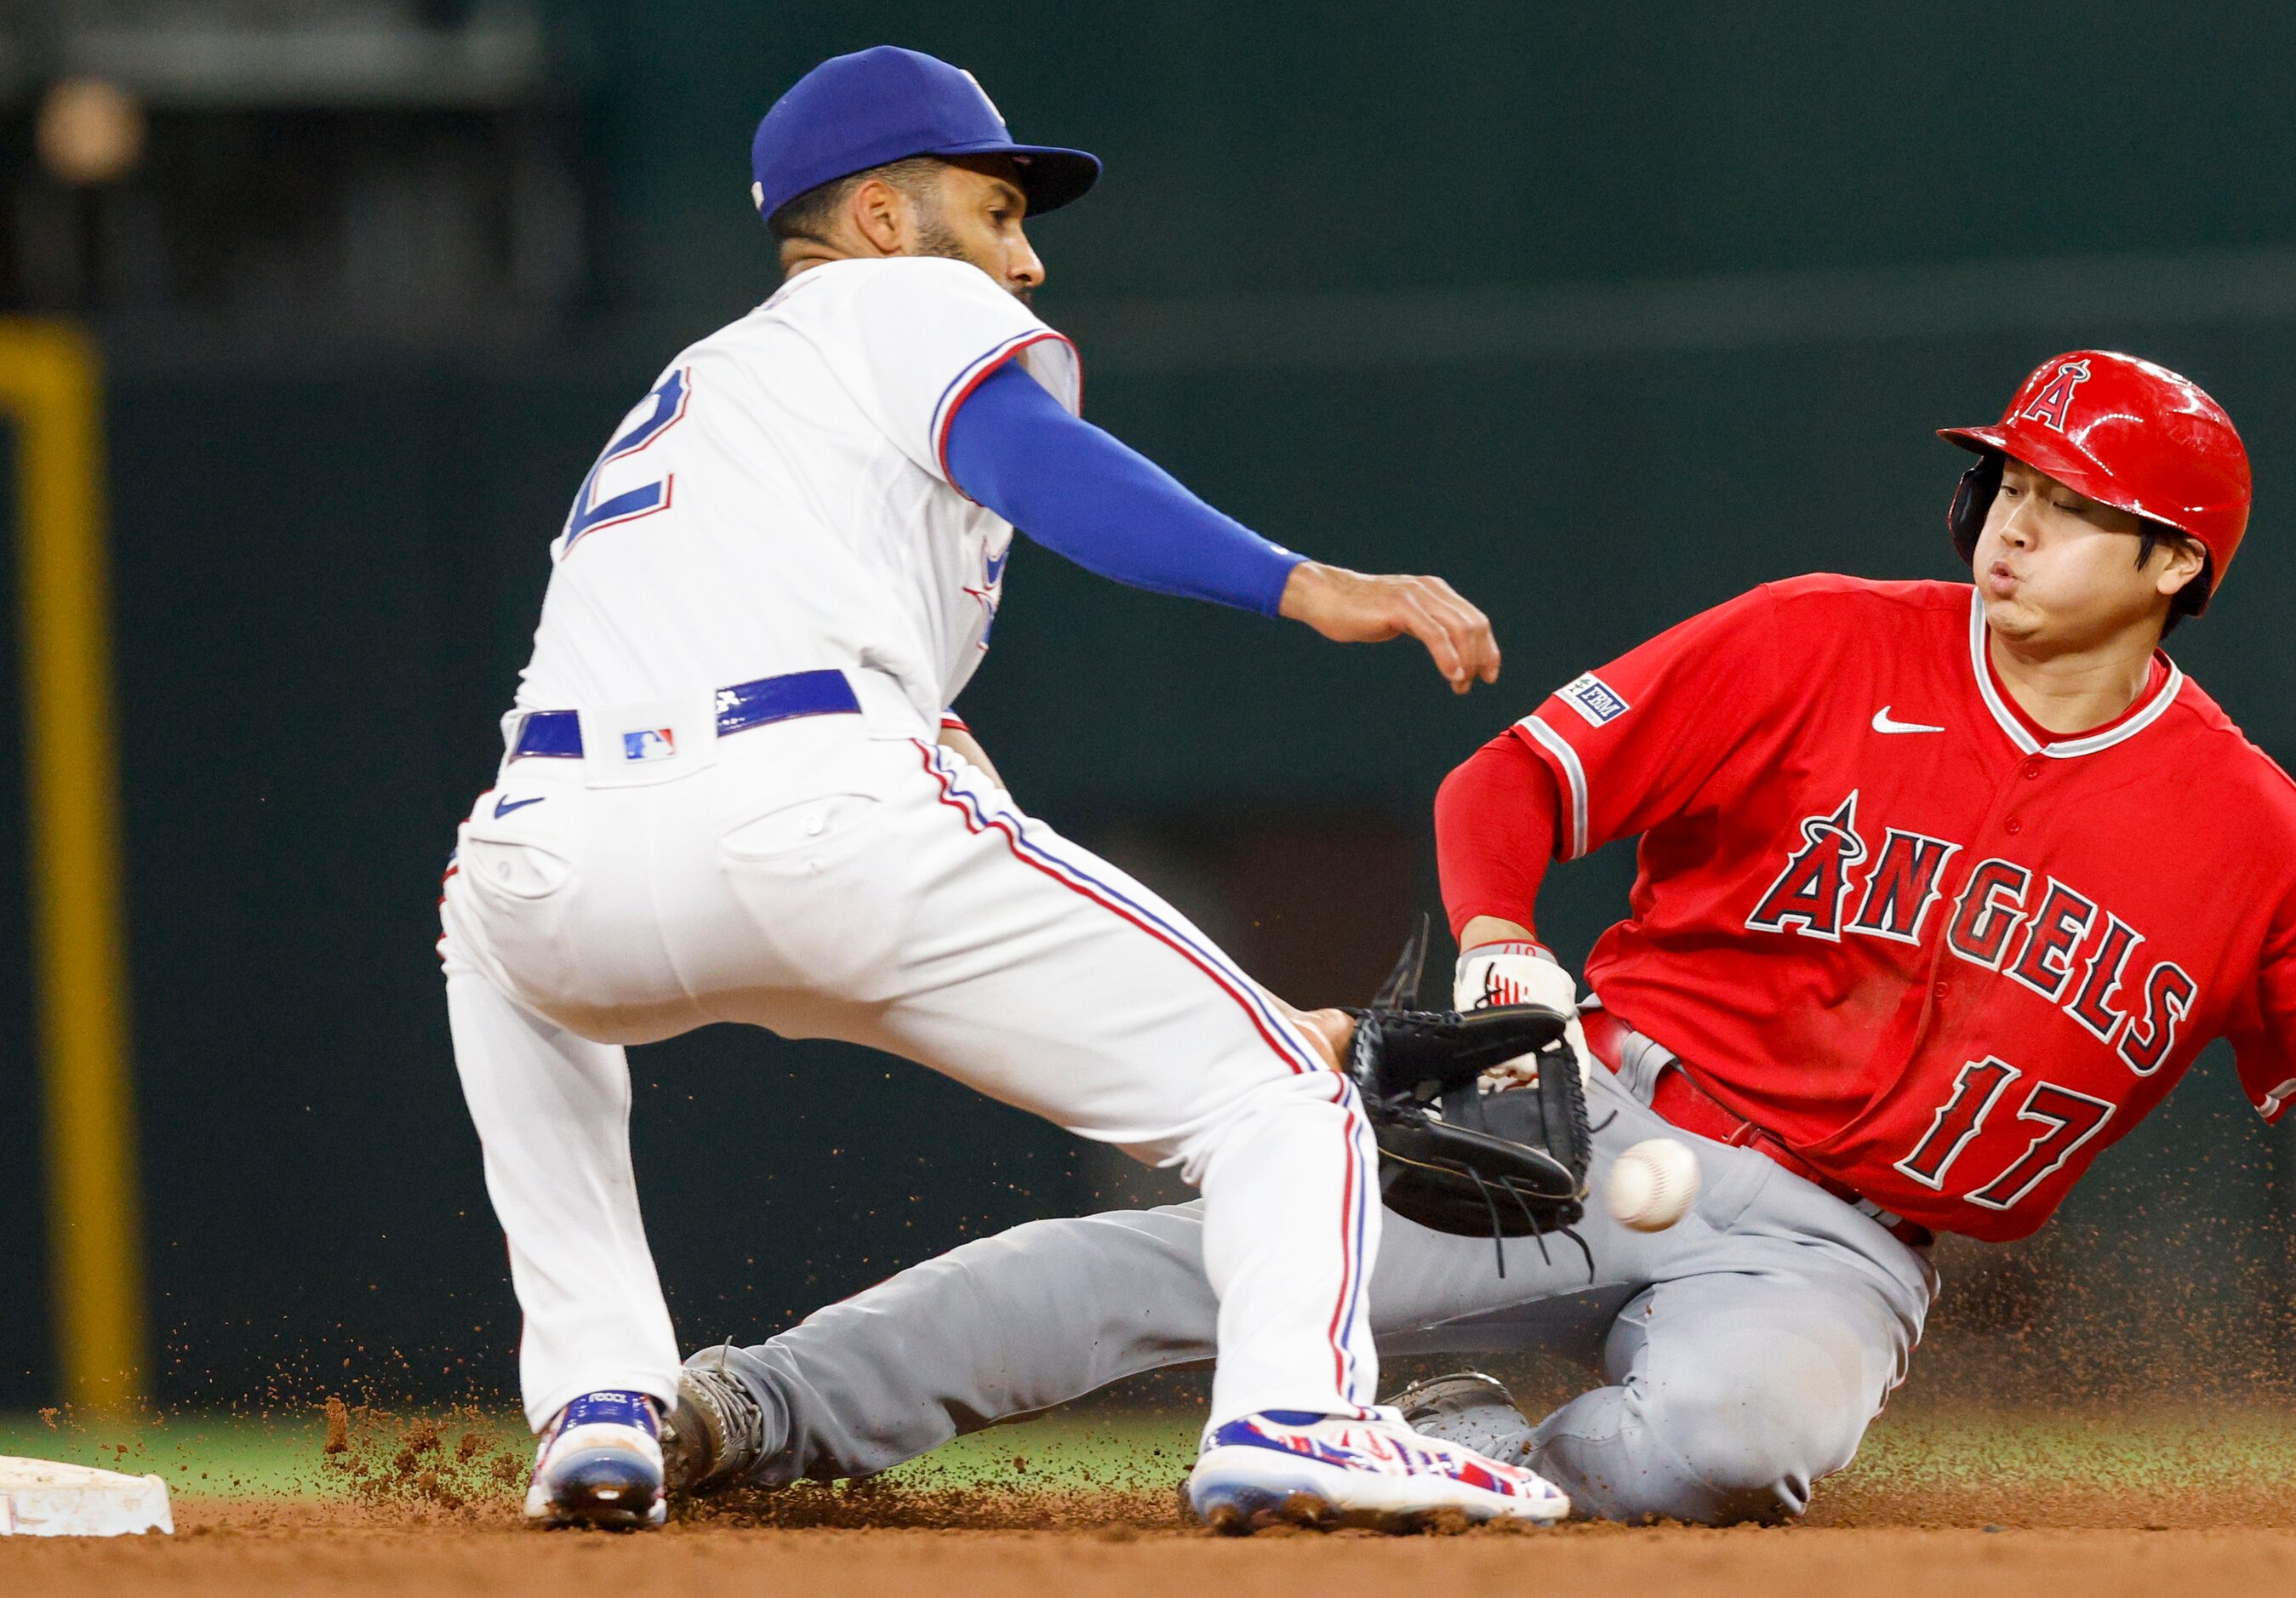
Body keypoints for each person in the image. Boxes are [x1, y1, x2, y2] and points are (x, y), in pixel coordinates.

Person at [653, 350, 2296, 1529]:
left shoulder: (2248, 838)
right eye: (2001, 484)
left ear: (2173, 561)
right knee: (1192, 1256)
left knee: (1720, 1454)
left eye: (2062, 504)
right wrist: (1494, 931)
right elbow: (1502, 785)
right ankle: (740, 1411)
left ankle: (1464, 1454)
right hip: (1587, 1099)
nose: (2007, 524)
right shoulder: (1810, 643)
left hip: (1843, 1248)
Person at [438, 46, 1563, 1533]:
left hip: (552, 857)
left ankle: (598, 1400)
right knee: (1277, 1091)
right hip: (816, 821)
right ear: (886, 222)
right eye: (997, 210)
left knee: (492, 945)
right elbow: (1042, 459)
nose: (1026, 260)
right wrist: (1304, 584)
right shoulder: (898, 303)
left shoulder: (697, 390)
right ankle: (1300, 1409)